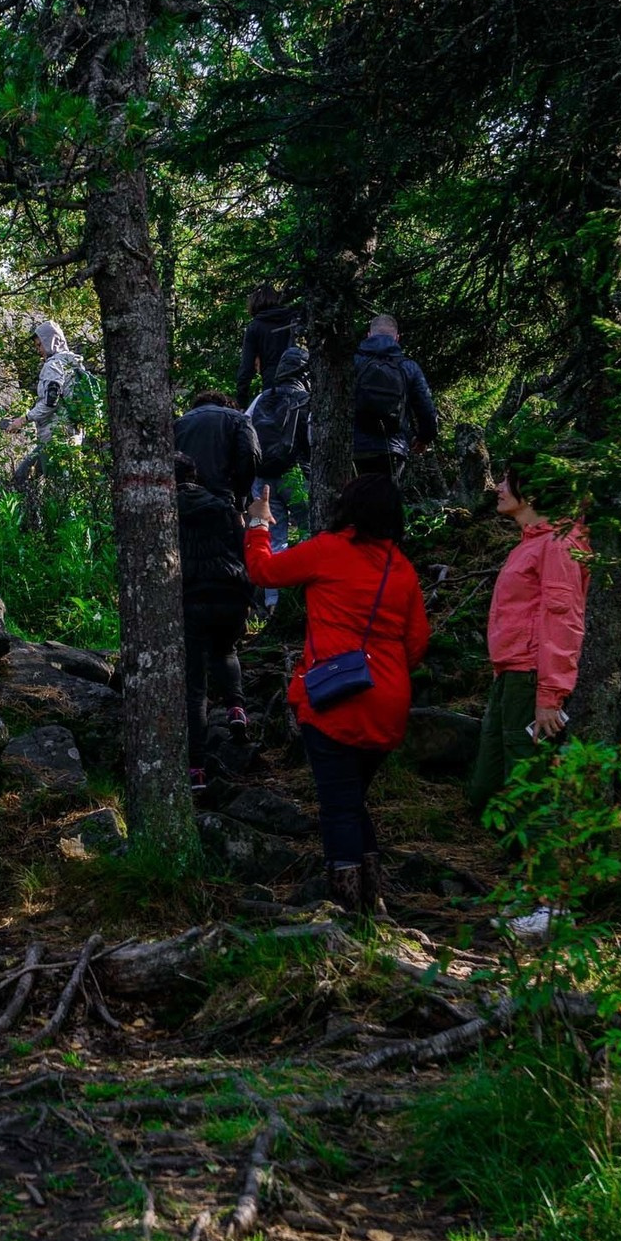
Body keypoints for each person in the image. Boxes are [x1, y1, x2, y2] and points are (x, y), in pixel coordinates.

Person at [244, 472, 432, 914]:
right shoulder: (400, 566)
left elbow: (264, 571)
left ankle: (348, 910)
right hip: (388, 699)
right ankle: (374, 902)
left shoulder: (329, 550)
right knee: (351, 799)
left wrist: (258, 525)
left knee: (339, 807)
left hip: (333, 697)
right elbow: (418, 642)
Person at [467, 453, 590, 817]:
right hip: (510, 677)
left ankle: (541, 872)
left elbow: (562, 620)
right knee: (488, 790)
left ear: (531, 494)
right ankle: (522, 866)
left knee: (527, 788)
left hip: (531, 679)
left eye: (507, 480)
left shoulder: (558, 545)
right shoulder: (532, 543)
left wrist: (550, 695)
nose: (498, 488)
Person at [176, 455, 254, 788]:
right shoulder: (222, 506)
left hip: (192, 596)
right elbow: (242, 548)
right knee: (226, 650)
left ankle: (196, 769)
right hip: (229, 591)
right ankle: (236, 708)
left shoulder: (160, 511)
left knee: (195, 687)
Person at [350, 315, 439, 480]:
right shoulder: (408, 367)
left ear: (369, 335)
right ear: (397, 338)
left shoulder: (352, 362)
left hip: (354, 446)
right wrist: (424, 439)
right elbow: (427, 410)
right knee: (384, 500)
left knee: (352, 499)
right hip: (392, 448)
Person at [5, 317, 89, 486]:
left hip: (54, 437)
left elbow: (51, 401)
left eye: (40, 345)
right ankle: (31, 509)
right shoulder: (73, 363)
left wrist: (23, 420)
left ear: (51, 341)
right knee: (23, 477)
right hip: (73, 434)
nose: (39, 350)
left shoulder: (53, 365)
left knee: (58, 490)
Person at [246, 345, 311, 553]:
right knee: (309, 533)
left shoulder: (262, 398)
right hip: (297, 474)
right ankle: (303, 583)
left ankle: (272, 584)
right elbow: (313, 440)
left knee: (272, 540)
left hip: (263, 476)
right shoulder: (308, 400)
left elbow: (245, 432)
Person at [175, 387, 262, 502]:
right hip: (222, 494)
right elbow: (250, 452)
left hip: (185, 497)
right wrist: (241, 491)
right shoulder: (237, 419)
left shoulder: (179, 423)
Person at [234, 286, 307, 403]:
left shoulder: (255, 327)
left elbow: (246, 366)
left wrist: (241, 399)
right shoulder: (295, 317)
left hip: (272, 384)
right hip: (301, 379)